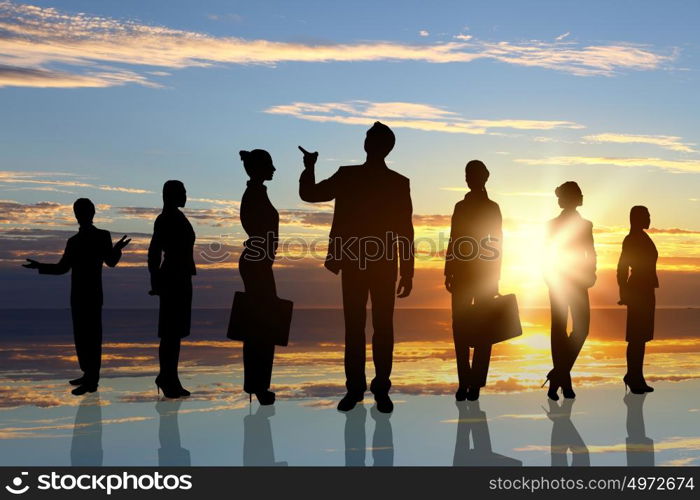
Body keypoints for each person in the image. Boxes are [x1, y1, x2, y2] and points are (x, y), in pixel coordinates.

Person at [299, 122, 414, 414]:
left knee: (378, 328)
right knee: (359, 327)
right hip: (356, 262)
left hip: (382, 264)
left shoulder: (396, 182)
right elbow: (310, 194)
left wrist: (408, 271)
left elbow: (405, 230)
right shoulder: (350, 176)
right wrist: (309, 167)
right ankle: (356, 389)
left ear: (378, 146)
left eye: (371, 140)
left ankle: (378, 388)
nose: (369, 144)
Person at [23, 198, 130, 395]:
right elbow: (62, 268)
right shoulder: (73, 241)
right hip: (78, 295)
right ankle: (87, 374)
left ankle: (92, 380)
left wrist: (116, 249)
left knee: (92, 336)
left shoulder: (101, 236)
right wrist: (40, 266)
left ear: (90, 213)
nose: (80, 215)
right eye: (78, 211)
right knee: (81, 337)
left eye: (82, 211)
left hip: (92, 294)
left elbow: (111, 262)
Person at [445, 160, 502, 402]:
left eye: (473, 174)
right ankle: (464, 380)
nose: (469, 178)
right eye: (467, 174)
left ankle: (475, 381)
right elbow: (454, 238)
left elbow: (497, 242)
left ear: (484, 177)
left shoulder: (492, 208)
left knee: (484, 329)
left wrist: (495, 277)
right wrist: (448, 269)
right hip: (462, 273)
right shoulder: (460, 206)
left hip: (484, 274)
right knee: (459, 326)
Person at [543, 181, 596, 401]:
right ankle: (564, 381)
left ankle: (558, 375)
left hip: (578, 281)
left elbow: (590, 252)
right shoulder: (551, 224)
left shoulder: (586, 225)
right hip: (558, 279)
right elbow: (544, 252)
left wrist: (591, 273)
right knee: (559, 328)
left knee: (581, 329)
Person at [238, 149, 279, 405]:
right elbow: (256, 228)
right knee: (260, 325)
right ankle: (257, 385)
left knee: (263, 324)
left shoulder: (258, 193)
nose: (274, 170)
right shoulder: (253, 194)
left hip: (260, 262)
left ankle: (258, 384)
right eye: (270, 166)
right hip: (257, 263)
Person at [148, 180, 195, 399]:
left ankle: (170, 377)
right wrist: (155, 280)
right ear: (172, 195)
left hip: (182, 277)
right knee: (170, 333)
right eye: (182, 192)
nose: (186, 195)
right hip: (172, 278)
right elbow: (154, 251)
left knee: (175, 333)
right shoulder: (166, 218)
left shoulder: (175, 216)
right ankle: (167, 378)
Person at [617, 205, 657, 394]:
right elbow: (622, 268)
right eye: (646, 215)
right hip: (638, 290)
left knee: (641, 337)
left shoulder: (642, 237)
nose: (649, 218)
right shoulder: (631, 239)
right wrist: (624, 293)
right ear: (637, 218)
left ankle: (635, 375)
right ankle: (633, 377)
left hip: (647, 289)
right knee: (636, 337)